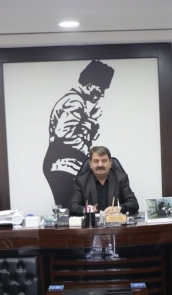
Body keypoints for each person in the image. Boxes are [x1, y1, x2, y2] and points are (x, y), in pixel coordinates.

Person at [43, 60, 115, 206]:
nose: (102, 94)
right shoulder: (75, 101)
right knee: (71, 209)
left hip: (64, 164)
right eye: (101, 88)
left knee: (71, 209)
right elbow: (64, 133)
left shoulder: (77, 101)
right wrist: (88, 153)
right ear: (89, 85)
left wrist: (90, 120)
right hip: (64, 165)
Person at [68, 145, 139, 215]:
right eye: (96, 161)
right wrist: (85, 209)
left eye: (104, 161)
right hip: (92, 222)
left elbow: (133, 204)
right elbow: (72, 206)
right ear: (90, 163)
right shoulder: (81, 181)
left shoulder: (121, 178)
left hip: (114, 221)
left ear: (110, 163)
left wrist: (118, 208)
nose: (100, 165)